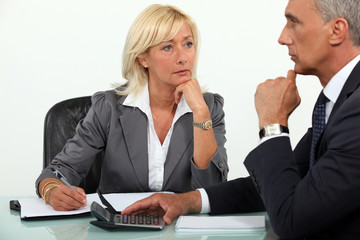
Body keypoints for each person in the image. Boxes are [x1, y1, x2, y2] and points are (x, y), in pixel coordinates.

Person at [122, 0, 360, 239]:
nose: (282, 37)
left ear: (336, 31)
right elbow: (279, 185)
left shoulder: (356, 110)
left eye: (294, 22)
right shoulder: (338, 102)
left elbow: (292, 219)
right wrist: (184, 202)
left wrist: (272, 124)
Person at [35, 4, 228, 211]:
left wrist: (200, 111)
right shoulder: (108, 108)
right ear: (143, 58)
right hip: (119, 227)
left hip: (183, 229)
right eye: (168, 47)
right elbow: (58, 172)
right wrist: (52, 190)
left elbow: (213, 191)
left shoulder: (209, 108)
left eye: (188, 44)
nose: (183, 57)